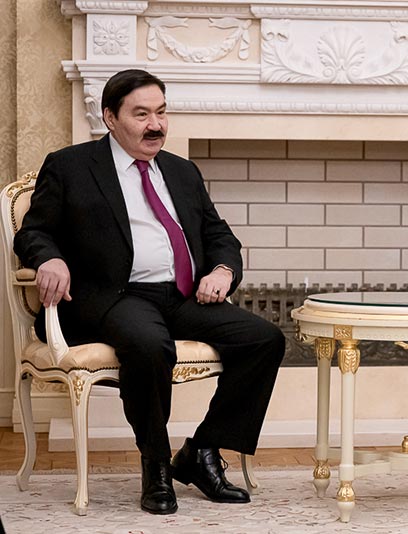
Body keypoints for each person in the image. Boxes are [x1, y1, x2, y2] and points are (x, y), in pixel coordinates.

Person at [14, 69, 286, 515]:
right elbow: (34, 232)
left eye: (161, 112)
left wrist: (221, 270)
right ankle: (156, 464)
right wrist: (50, 259)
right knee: (148, 343)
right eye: (141, 114)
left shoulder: (182, 170)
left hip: (181, 296)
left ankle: (202, 451)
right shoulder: (70, 166)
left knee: (264, 339)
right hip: (114, 296)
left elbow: (218, 234)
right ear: (110, 117)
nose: (155, 125)